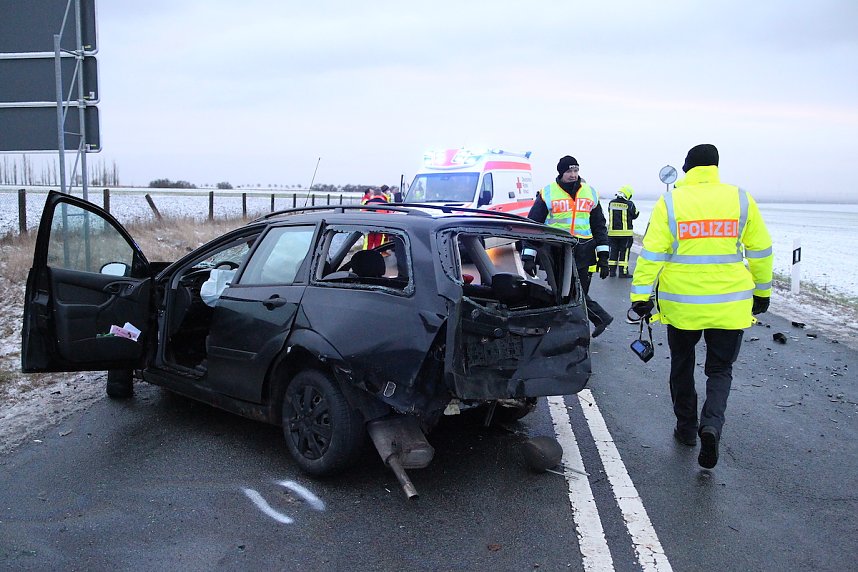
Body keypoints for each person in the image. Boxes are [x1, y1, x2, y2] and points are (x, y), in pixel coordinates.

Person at [628, 144, 773, 469]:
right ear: (716, 167)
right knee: (720, 370)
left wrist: (640, 296)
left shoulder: (671, 201)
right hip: (730, 303)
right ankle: (711, 426)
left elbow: (652, 253)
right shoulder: (740, 198)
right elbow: (761, 250)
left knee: (682, 364)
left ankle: (686, 429)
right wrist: (762, 292)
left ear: (686, 168)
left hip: (682, 304)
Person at [523, 155, 614, 337]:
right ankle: (591, 322)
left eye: (576, 170)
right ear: (561, 172)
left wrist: (604, 256)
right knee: (562, 292)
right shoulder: (547, 193)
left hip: (583, 250)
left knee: (576, 292)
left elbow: (599, 226)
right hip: (555, 250)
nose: (573, 174)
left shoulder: (590, 192)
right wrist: (528, 256)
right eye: (569, 171)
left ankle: (573, 329)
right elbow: (533, 225)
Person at [607, 185, 639, 279]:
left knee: (613, 252)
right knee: (624, 253)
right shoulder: (630, 204)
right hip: (625, 234)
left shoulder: (611, 203)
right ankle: (623, 272)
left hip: (612, 233)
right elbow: (635, 215)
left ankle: (612, 271)